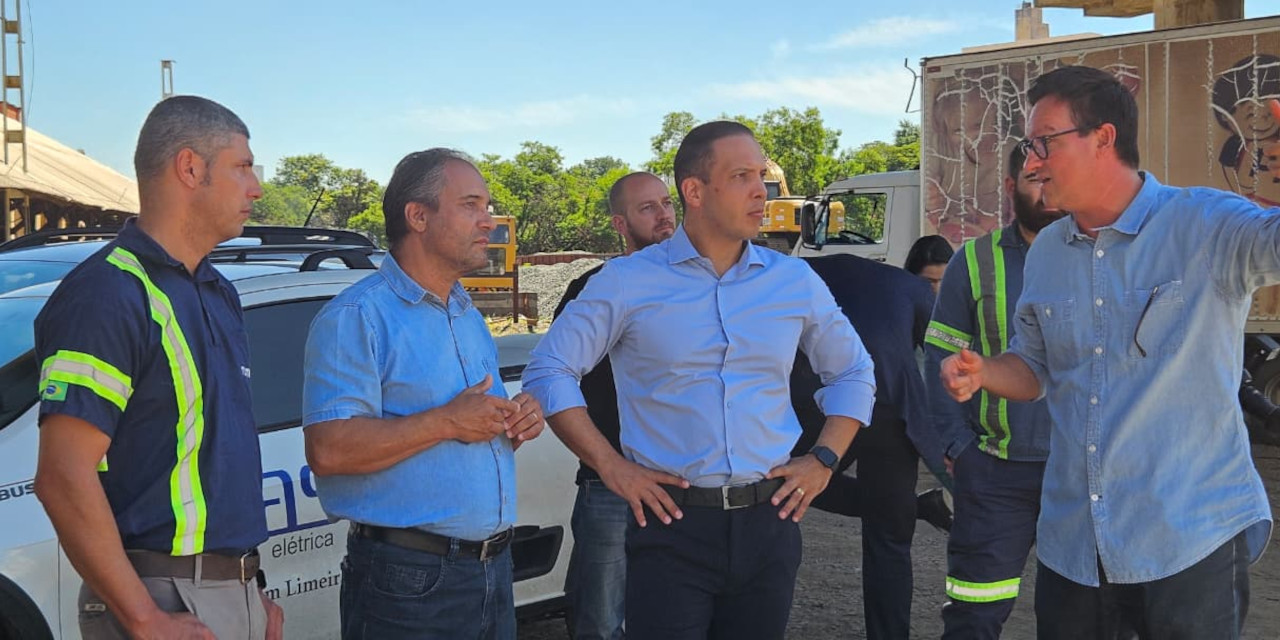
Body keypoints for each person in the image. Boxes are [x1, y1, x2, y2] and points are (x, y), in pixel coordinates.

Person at [940, 65, 1274, 638]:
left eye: (1044, 141)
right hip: (1075, 547)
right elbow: (1036, 368)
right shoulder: (1047, 251)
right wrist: (986, 372)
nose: (1031, 161)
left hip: (1188, 535)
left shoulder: (1208, 226)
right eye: (1028, 145)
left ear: (1103, 137)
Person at [523, 121, 875, 640]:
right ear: (694, 191)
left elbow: (853, 370)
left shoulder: (793, 279)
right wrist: (611, 468)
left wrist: (825, 460)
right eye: (740, 176)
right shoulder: (626, 281)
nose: (761, 191)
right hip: (670, 527)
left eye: (762, 175)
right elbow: (548, 369)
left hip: (769, 522)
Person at [32, 96, 283, 640]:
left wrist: (251, 589)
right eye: (242, 166)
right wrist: (144, 617)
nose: (256, 187)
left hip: (227, 589)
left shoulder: (217, 291)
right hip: (159, 595)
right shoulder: (109, 294)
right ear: (190, 168)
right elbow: (62, 475)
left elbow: (214, 459)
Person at [301, 149, 545, 640]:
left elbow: (472, 421)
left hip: (489, 569)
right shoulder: (358, 316)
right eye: (472, 205)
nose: (489, 222)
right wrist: (448, 421)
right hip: (409, 580)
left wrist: (512, 421)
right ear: (418, 216)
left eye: (488, 206)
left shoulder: (464, 313)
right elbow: (328, 450)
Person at [925, 144, 1063, 639]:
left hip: (1081, 474)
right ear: (1009, 188)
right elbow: (939, 358)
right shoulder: (973, 260)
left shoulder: (1098, 255)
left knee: (1082, 617)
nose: (1046, 189)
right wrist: (959, 447)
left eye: (1054, 176)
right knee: (975, 614)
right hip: (995, 473)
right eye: (1032, 178)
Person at [789, 252, 944, 639]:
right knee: (889, 538)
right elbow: (941, 353)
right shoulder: (912, 288)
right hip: (894, 404)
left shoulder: (792, 273)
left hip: (822, 401)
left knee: (780, 486)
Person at [556, 171, 676, 640]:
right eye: (647, 208)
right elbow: (553, 378)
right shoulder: (593, 289)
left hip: (682, 483)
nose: (663, 215)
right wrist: (603, 462)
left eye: (666, 203)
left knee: (674, 613)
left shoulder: (701, 286)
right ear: (620, 224)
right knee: (601, 619)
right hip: (610, 486)